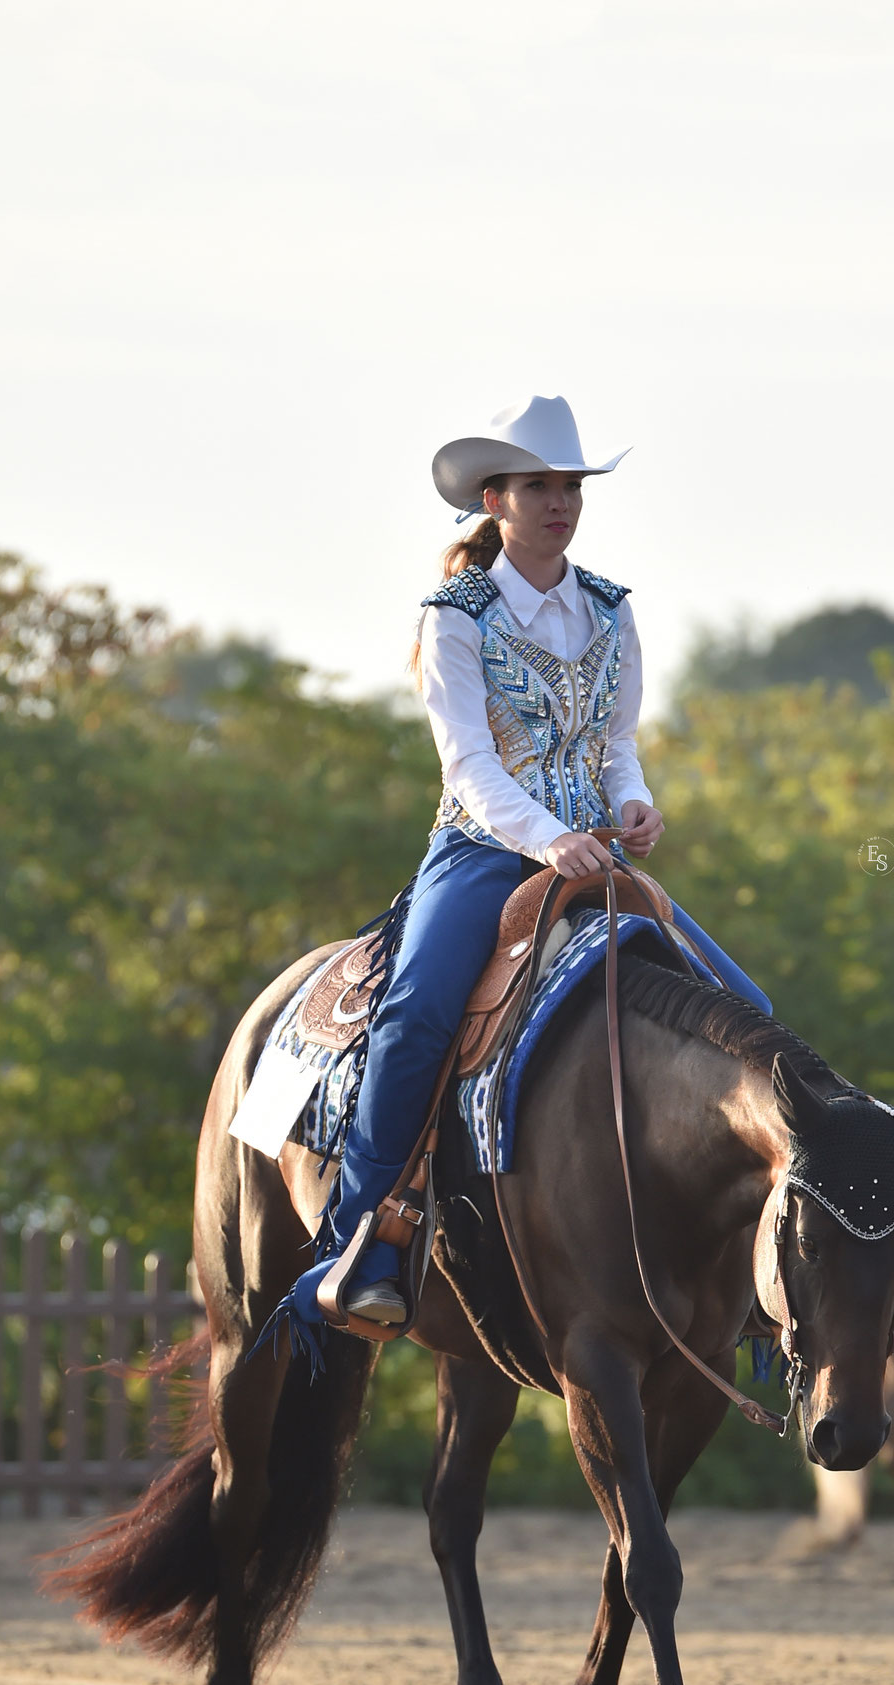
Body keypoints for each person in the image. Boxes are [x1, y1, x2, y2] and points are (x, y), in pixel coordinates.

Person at [287, 394, 769, 1340]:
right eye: (539, 486)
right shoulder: (452, 617)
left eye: (571, 485)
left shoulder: (611, 609)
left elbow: (615, 740)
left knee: (746, 1011)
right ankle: (362, 1243)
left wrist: (631, 798)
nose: (560, 501)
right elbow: (467, 767)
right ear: (494, 499)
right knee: (417, 1013)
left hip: (594, 850)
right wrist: (549, 838)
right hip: (481, 851)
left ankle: (751, 1263)